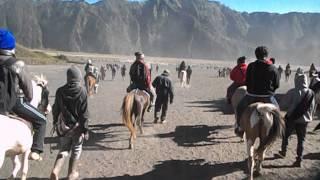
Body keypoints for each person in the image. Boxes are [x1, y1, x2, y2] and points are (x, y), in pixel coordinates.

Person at [0, 28, 47, 161]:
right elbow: (28, 89)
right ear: (10, 47)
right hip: (14, 103)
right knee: (41, 120)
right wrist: (28, 97)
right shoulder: (17, 64)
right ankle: (36, 150)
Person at [51, 66, 89, 180]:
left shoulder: (59, 91)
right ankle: (71, 174)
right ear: (79, 77)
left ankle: (55, 170)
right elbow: (84, 114)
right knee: (76, 149)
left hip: (64, 126)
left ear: (68, 78)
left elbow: (55, 109)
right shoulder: (82, 91)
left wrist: (54, 122)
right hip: (77, 127)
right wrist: (85, 129)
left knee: (63, 149)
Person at [235, 46, 280, 136]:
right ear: (266, 55)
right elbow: (277, 84)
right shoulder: (273, 68)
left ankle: (240, 127)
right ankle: (277, 130)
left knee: (239, 108)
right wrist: (271, 91)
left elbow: (247, 81)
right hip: (267, 97)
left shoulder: (251, 66)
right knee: (278, 112)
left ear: (256, 55)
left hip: (251, 96)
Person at [278, 72, 315, 167]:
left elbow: (283, 105)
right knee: (301, 140)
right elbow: (313, 108)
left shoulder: (292, 92)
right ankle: (299, 159)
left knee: (285, 135)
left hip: (292, 118)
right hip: (305, 120)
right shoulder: (311, 93)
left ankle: (283, 151)